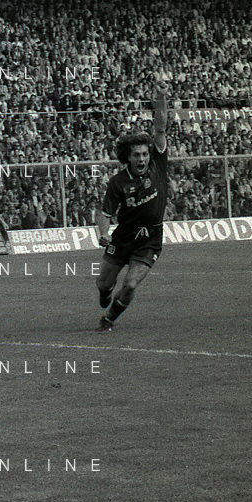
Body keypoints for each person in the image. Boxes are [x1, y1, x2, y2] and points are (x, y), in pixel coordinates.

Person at [95, 83, 170, 331]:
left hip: (150, 237)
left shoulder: (158, 164)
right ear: (128, 157)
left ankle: (109, 318)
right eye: (136, 155)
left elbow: (160, 127)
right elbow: (105, 212)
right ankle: (105, 293)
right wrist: (103, 233)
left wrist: (161, 96)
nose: (142, 159)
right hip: (124, 236)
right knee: (103, 284)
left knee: (129, 285)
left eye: (145, 154)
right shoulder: (118, 182)